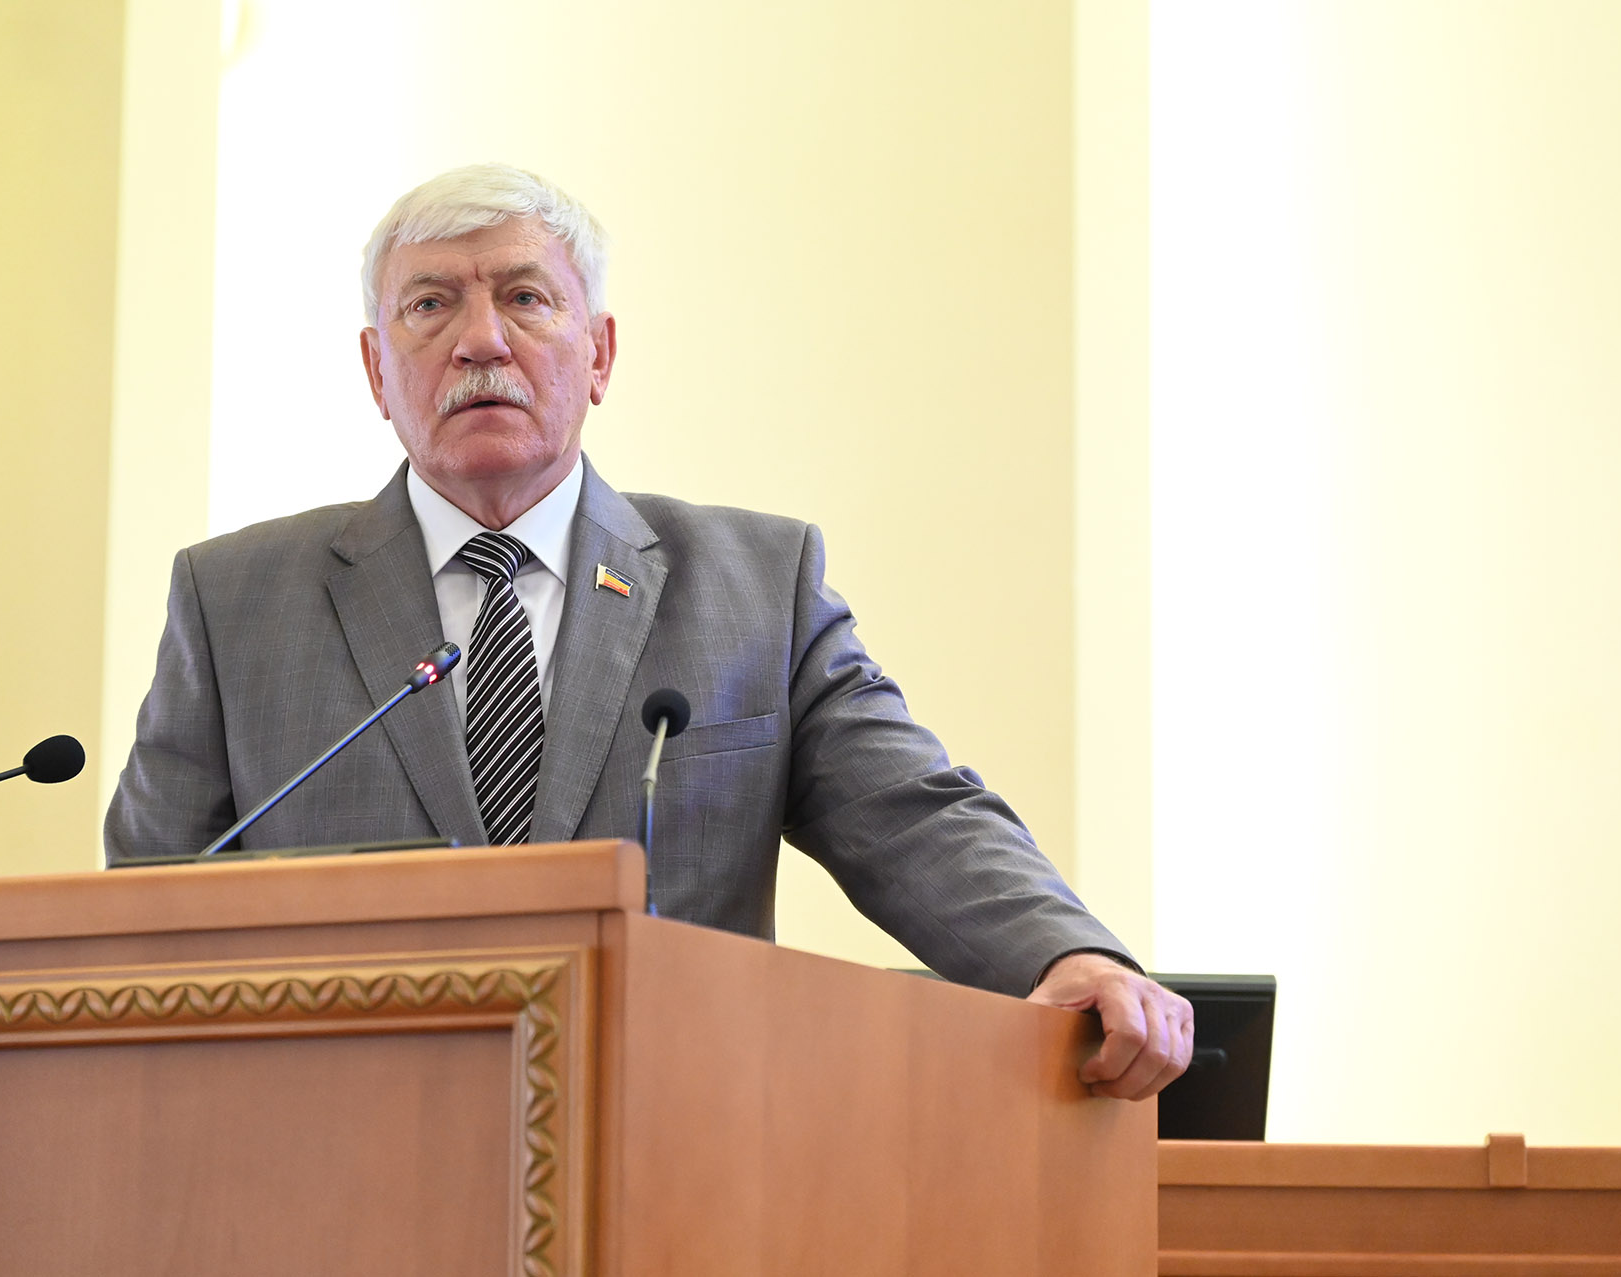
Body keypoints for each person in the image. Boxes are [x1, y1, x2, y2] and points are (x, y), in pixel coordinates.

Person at [107, 163, 1191, 1101]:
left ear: (600, 353)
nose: (481, 339)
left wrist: (1063, 950)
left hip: (675, 1150)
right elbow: (141, 918)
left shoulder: (754, 586)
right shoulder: (236, 602)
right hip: (335, 1159)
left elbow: (910, 814)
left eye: (526, 298)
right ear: (375, 370)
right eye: (430, 304)